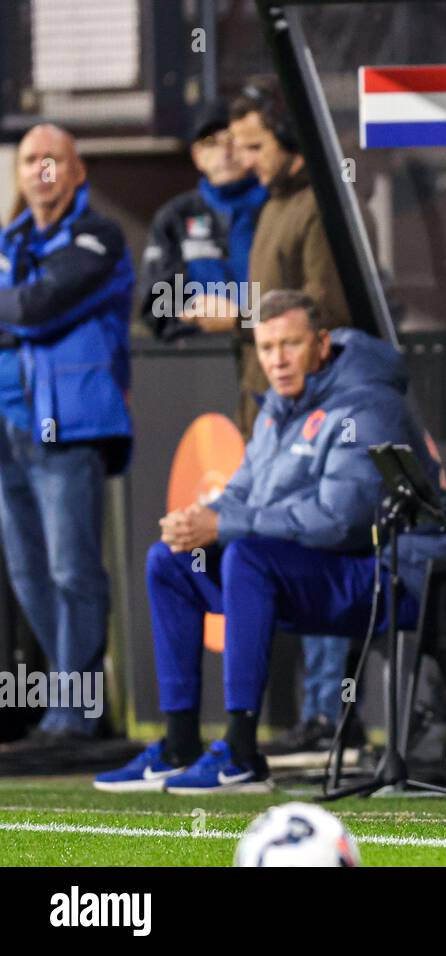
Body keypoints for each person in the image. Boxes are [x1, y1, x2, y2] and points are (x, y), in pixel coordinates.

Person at [93, 290, 446, 793]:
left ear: (322, 344)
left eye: (290, 345)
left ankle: (241, 752)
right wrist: (201, 519)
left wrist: (226, 527)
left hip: (389, 578)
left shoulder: (367, 404)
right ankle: (179, 744)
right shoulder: (276, 407)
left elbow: (339, 521)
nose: (277, 361)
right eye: (266, 348)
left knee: (246, 555)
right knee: (171, 561)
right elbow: (244, 490)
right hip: (316, 575)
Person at [230, 81, 356, 754]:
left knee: (312, 545)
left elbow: (322, 308)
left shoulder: (315, 206)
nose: (245, 158)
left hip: (316, 413)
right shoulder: (272, 205)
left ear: (286, 135)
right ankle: (312, 714)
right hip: (270, 408)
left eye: (255, 144)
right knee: (272, 547)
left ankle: (327, 714)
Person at [0, 124, 134, 745]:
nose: (41, 170)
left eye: (54, 159)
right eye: (31, 160)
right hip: (7, 427)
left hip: (65, 422)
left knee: (71, 568)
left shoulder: (99, 235)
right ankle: (63, 704)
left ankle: (80, 710)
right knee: (27, 572)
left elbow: (38, 306)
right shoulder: (12, 239)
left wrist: (20, 306)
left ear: (77, 172)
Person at [139, 101, 267, 341]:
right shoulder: (175, 217)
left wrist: (242, 319)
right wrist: (201, 314)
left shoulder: (278, 206)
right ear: (197, 156)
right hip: (204, 361)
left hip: (272, 350)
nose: (225, 151)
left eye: (233, 139)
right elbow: (157, 308)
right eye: (211, 143)